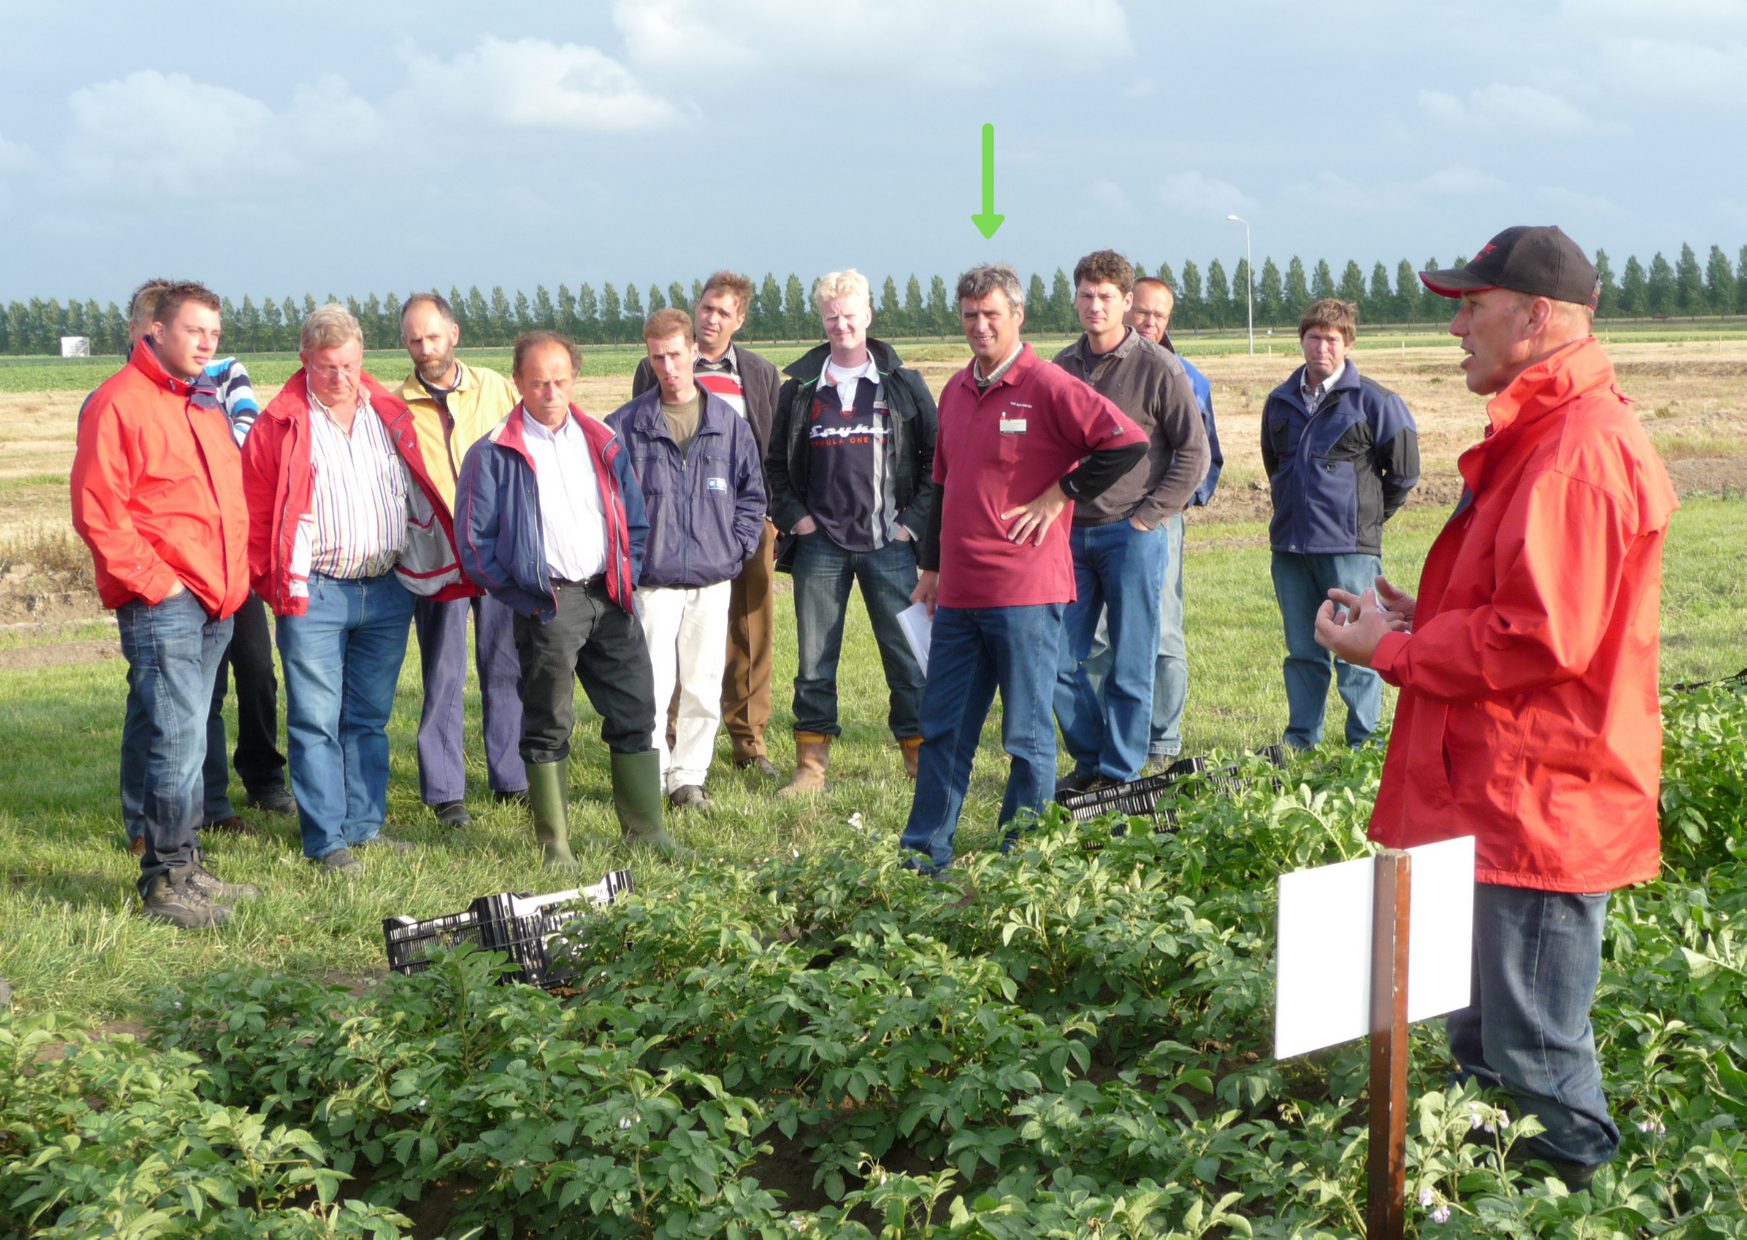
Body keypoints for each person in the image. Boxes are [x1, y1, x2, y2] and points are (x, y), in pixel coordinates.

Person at [1314, 225, 1677, 1187]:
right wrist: (1421, 613)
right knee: (1484, 1047)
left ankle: (1577, 1206)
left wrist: (1390, 650)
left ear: (1538, 316)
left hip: (1538, 807)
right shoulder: (1547, 435)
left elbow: (1537, 640)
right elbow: (1526, 609)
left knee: (1537, 1068)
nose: (1456, 328)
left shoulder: (1573, 453)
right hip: (1499, 796)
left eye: (1470, 307)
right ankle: (1504, 1204)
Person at [899, 264, 1146, 874]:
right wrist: (930, 567)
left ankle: (1021, 857)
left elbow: (1127, 442)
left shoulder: (1048, 383)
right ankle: (924, 853)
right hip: (957, 594)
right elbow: (942, 484)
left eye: (991, 315)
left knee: (1027, 735)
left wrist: (1061, 492)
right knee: (943, 728)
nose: (979, 327)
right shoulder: (956, 390)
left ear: (1018, 316)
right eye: (969, 317)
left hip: (1025, 593)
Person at [241, 304, 470, 873]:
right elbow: (255, 513)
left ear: (363, 355)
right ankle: (326, 841)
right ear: (304, 361)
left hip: (387, 588)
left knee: (368, 716)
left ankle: (364, 826)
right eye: (325, 368)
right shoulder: (281, 424)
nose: (339, 377)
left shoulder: (388, 411)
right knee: (316, 718)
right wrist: (274, 587)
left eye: (347, 364)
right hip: (314, 592)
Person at [71, 280, 257, 927]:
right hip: (168, 599)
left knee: (186, 737)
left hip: (217, 598)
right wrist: (161, 584)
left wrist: (234, 579)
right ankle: (165, 882)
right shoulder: (119, 403)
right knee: (175, 741)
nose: (207, 341)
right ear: (156, 330)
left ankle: (188, 863)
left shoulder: (201, 403)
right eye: (193, 329)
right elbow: (100, 512)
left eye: (214, 331)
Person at [456, 331, 678, 863]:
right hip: (548, 604)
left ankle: (647, 833)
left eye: (558, 381)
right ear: (518, 383)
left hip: (610, 598)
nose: (550, 392)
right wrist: (525, 597)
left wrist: (627, 574)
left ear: (573, 376)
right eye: (537, 383)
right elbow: (474, 542)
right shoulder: (492, 454)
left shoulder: (602, 439)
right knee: (549, 721)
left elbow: (634, 518)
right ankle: (555, 844)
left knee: (635, 709)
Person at [766, 269, 937, 793]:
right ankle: (811, 767)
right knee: (815, 658)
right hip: (822, 546)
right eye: (831, 316)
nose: (841, 324)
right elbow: (775, 465)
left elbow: (937, 462)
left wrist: (911, 524)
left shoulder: (902, 386)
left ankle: (918, 759)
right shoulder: (799, 391)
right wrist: (798, 517)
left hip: (890, 543)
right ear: (822, 320)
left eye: (850, 314)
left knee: (907, 656)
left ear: (868, 316)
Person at [1051, 251, 1209, 792]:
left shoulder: (1158, 368)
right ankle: (1092, 757)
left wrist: (1149, 519)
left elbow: (1194, 453)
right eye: (1086, 295)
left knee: (1132, 659)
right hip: (1070, 536)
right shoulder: (1060, 369)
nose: (1095, 306)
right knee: (1054, 656)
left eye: (1106, 297)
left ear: (1125, 303)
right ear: (1075, 299)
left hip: (1133, 534)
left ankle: (1119, 775)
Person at [608, 310, 766, 809]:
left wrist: (734, 549)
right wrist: (630, 563)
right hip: (652, 583)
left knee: (702, 683)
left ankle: (688, 778)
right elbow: (609, 503)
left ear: (693, 351)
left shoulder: (728, 423)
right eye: (657, 357)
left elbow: (752, 497)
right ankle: (651, 777)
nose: (668, 366)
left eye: (675, 355)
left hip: (711, 579)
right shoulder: (626, 426)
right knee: (651, 687)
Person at [632, 272, 783, 775]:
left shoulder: (758, 373)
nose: (712, 317)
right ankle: (666, 747)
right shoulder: (652, 369)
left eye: (723, 311)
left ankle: (748, 740)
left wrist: (748, 534)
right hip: (667, 537)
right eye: (706, 308)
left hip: (737, 524)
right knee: (669, 652)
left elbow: (765, 455)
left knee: (746, 635)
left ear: (739, 319)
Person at [1261, 298, 1419, 749]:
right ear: (1302, 341)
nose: (1322, 348)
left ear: (1348, 344)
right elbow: (1276, 467)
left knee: (1359, 649)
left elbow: (1404, 473)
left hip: (1350, 549)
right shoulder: (1279, 402)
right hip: (1291, 550)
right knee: (1303, 650)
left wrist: (1364, 520)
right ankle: (1299, 741)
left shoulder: (1377, 401)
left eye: (1332, 339)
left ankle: (1363, 744)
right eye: (1314, 338)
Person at [397, 291, 527, 828]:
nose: (425, 348)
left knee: (506, 667)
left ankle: (512, 776)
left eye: (432, 336)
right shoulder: (395, 406)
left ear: (454, 333)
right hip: (439, 558)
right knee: (444, 675)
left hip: (496, 553)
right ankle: (445, 791)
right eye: (414, 339)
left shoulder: (496, 387)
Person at [1083, 276, 1223, 765]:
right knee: (1098, 635)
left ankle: (1161, 739)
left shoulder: (1182, 374)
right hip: (1093, 527)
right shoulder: (1084, 366)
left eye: (1159, 316)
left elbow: (1204, 453)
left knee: (1160, 630)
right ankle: (1110, 733)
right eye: (1142, 312)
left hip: (1154, 521)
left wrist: (1164, 509)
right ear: (1127, 308)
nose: (1149, 322)